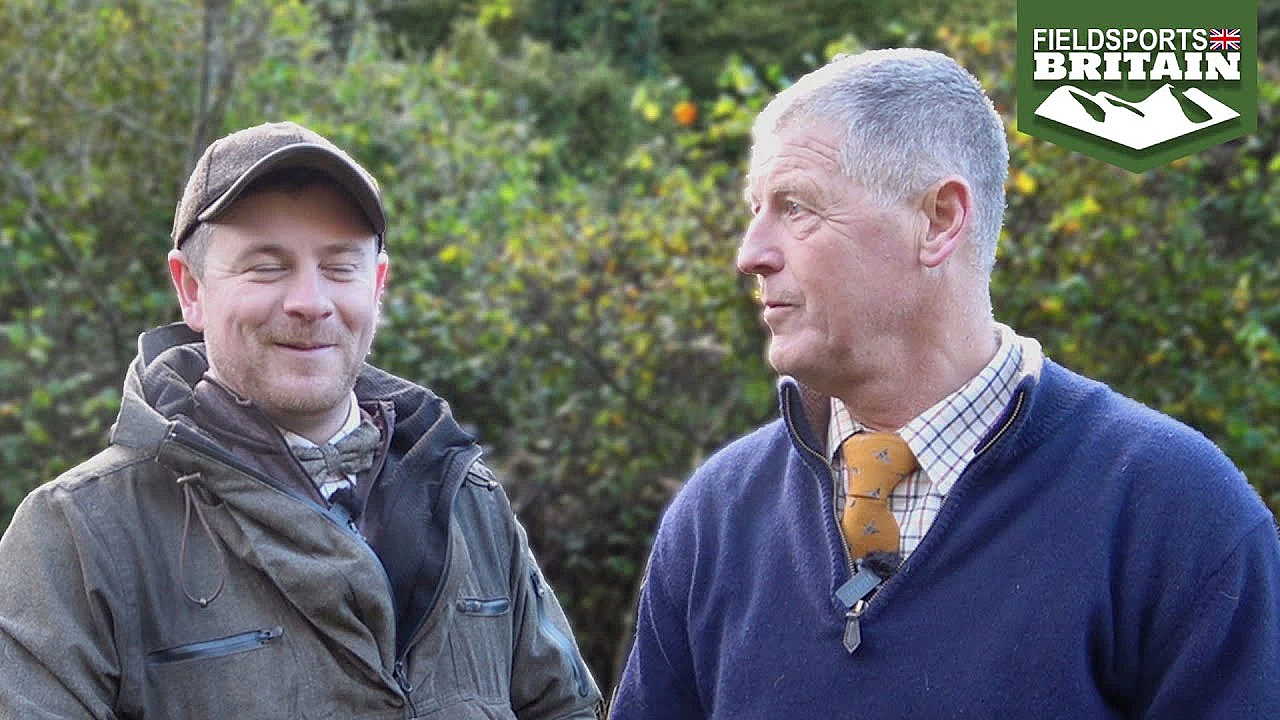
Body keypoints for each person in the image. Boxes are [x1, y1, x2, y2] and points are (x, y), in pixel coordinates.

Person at [610, 49, 1280, 719]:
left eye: (797, 207)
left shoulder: (1176, 512)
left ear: (938, 221)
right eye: (758, 208)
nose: (751, 252)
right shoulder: (716, 517)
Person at [0, 121, 603, 719]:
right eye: (267, 266)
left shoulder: (468, 499)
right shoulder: (76, 536)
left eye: (340, 267)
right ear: (191, 289)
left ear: (378, 286)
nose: (309, 302)